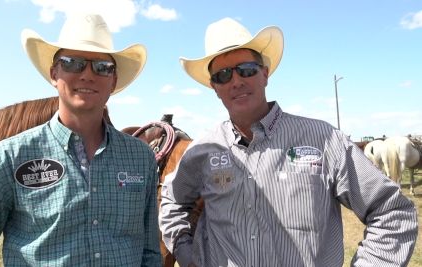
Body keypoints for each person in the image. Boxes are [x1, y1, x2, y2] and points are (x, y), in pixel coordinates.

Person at [159, 17, 418, 267]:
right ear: (214, 87)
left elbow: (392, 212)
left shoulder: (324, 139)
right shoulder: (203, 150)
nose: (236, 81)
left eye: (246, 70)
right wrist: (188, 255)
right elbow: (172, 202)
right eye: (223, 75)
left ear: (265, 74)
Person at [0, 13, 162, 266]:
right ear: (53, 73)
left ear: (113, 80)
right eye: (73, 63)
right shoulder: (4, 160)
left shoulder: (141, 158)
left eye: (102, 67)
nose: (87, 75)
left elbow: (149, 254)